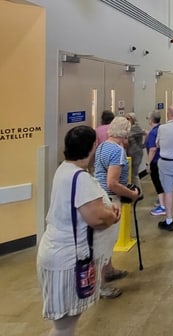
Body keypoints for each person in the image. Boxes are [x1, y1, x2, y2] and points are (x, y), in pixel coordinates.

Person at [37, 126, 121, 336]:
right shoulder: (80, 179)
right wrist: (112, 215)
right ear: (93, 146)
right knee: (65, 326)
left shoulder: (63, 169)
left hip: (54, 250)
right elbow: (96, 218)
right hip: (67, 258)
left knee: (64, 324)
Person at [94, 116, 141, 299]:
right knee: (104, 242)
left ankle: (109, 269)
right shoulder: (117, 151)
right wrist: (132, 194)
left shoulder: (103, 146)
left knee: (107, 240)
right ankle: (101, 285)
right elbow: (112, 182)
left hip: (101, 195)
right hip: (110, 199)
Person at [145, 111, 166, 216]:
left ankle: (162, 206)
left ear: (151, 120)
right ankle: (163, 202)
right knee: (163, 182)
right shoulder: (161, 129)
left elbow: (152, 149)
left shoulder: (153, 133)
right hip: (162, 160)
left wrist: (148, 163)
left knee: (158, 183)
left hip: (155, 161)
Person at [125, 112, 146, 187]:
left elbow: (145, 133)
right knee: (129, 173)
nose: (126, 120)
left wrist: (143, 145)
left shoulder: (135, 128)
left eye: (128, 119)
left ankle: (138, 191)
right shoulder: (127, 128)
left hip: (136, 153)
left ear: (133, 119)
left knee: (134, 173)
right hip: (129, 153)